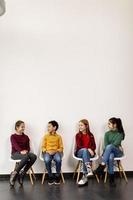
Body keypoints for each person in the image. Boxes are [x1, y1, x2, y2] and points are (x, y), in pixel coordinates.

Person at [95, 117, 125, 187]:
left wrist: (110, 146)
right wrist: (109, 147)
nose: (108, 125)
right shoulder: (107, 134)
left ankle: (102, 166)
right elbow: (105, 146)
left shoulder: (120, 133)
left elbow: (115, 144)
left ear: (115, 125)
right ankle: (111, 179)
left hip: (118, 152)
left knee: (110, 146)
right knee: (110, 156)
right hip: (110, 152)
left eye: (109, 124)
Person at [10, 120, 37, 187]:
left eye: (24, 127)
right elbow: (15, 146)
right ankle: (15, 173)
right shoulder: (13, 136)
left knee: (34, 156)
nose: (23, 128)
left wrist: (26, 151)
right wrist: (21, 151)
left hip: (25, 153)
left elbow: (28, 147)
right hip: (15, 154)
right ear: (17, 127)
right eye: (22, 127)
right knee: (26, 157)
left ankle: (22, 173)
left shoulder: (26, 137)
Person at [41, 120, 63, 185]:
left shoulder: (59, 137)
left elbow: (61, 148)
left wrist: (55, 151)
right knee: (47, 160)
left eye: (49, 126)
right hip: (47, 152)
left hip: (56, 152)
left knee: (58, 159)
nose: (48, 128)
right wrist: (47, 151)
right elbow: (43, 147)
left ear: (54, 127)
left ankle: (57, 176)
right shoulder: (46, 136)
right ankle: (50, 176)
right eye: (47, 127)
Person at [75, 119, 96, 186]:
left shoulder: (91, 135)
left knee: (85, 154)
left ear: (86, 126)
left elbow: (94, 146)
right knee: (84, 151)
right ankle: (89, 170)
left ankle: (84, 177)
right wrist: (88, 149)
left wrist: (90, 149)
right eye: (79, 125)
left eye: (81, 125)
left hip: (89, 154)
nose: (80, 127)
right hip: (80, 152)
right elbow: (79, 146)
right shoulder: (78, 135)